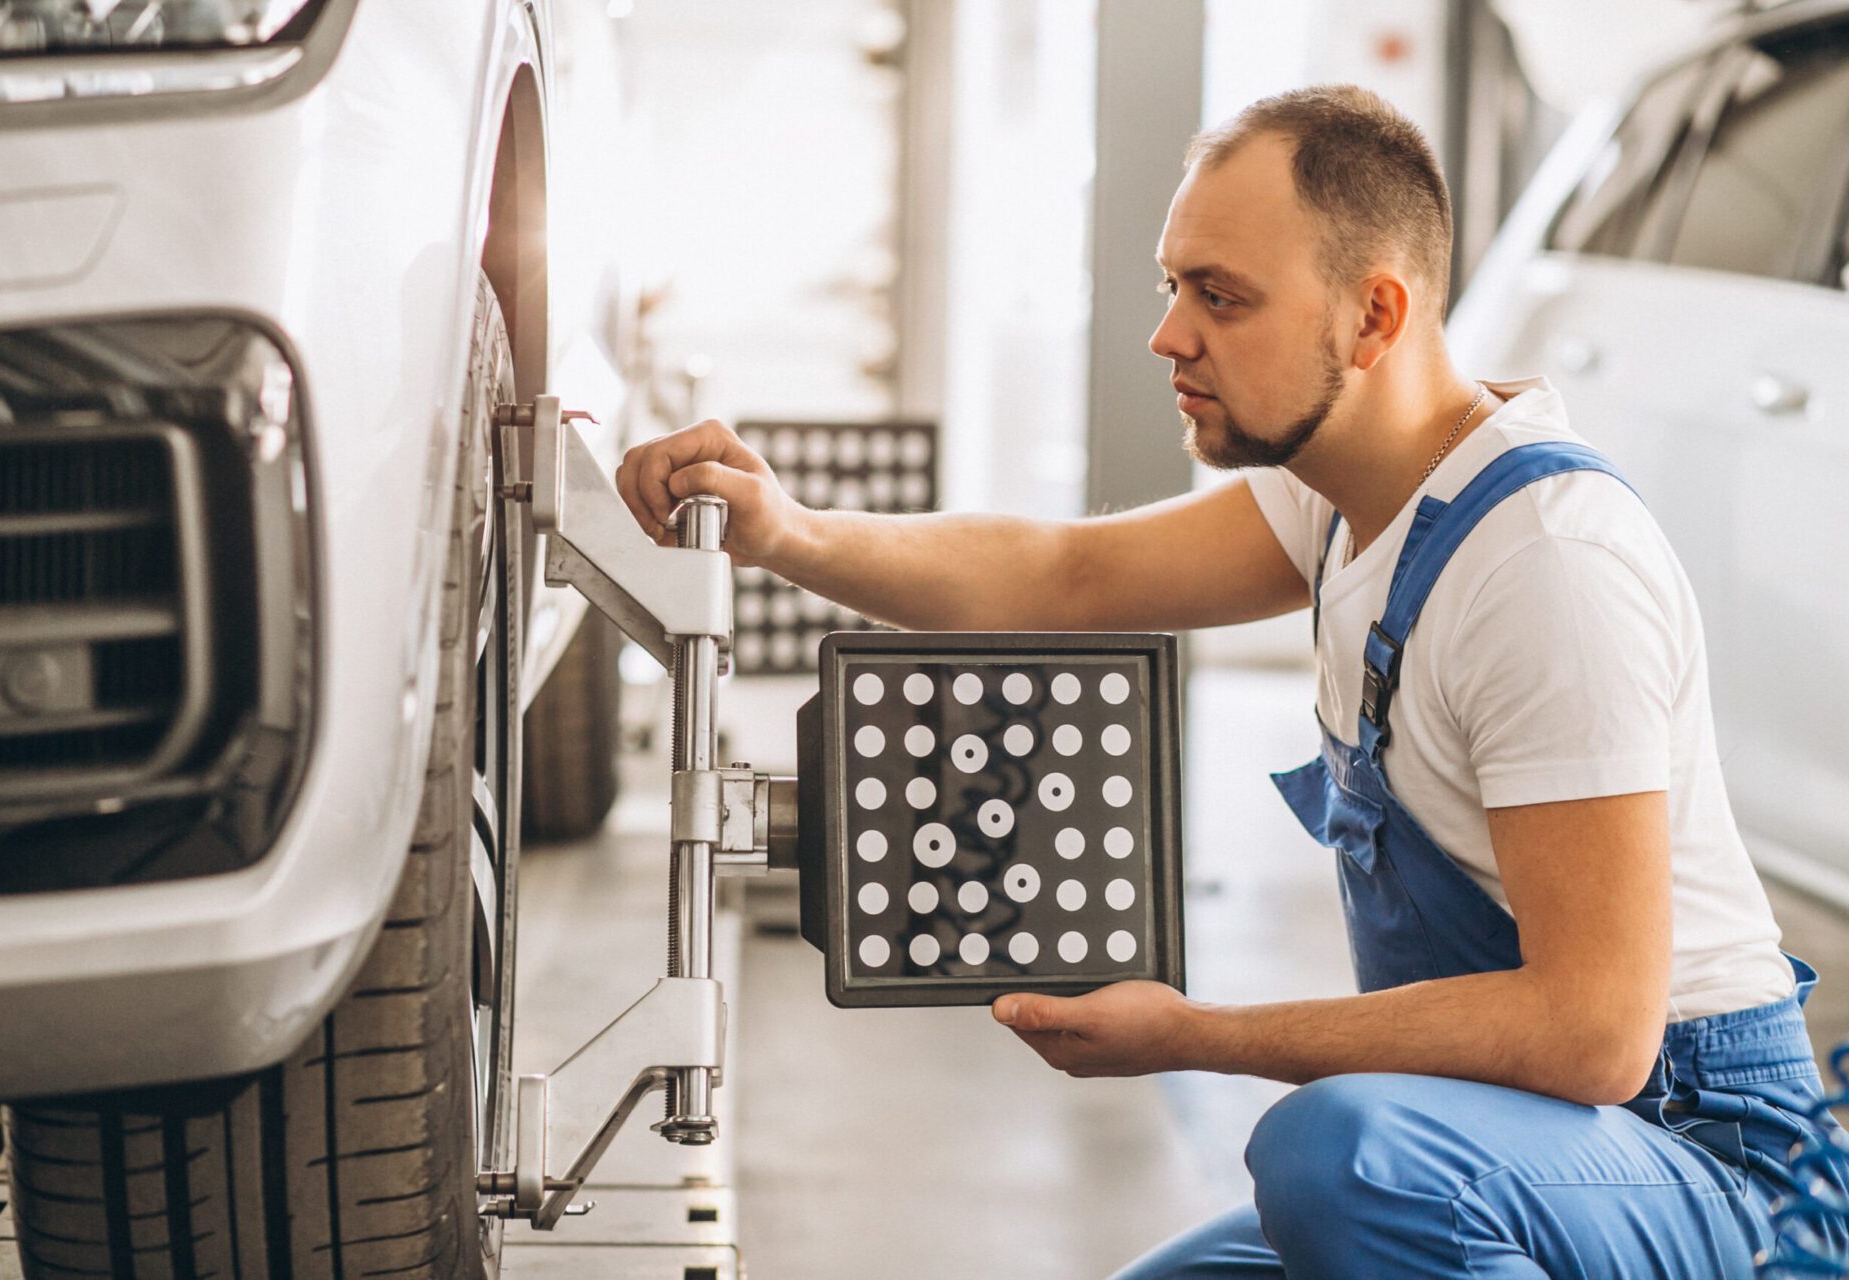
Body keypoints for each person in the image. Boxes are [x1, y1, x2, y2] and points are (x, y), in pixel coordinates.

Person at [615, 85, 1846, 1278]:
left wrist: (1199, 1036)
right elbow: (1068, 575)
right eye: (1172, 283)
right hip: (1518, 1139)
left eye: (1222, 296)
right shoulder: (1345, 496)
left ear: (1373, 317)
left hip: (1716, 1168)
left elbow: (1592, 1029)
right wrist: (792, 532)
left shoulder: (1544, 566)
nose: (1169, 335)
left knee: (1339, 1153)